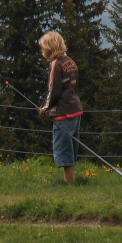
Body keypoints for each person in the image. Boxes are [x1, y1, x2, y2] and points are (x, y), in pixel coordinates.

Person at [38, 32, 83, 185]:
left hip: (63, 113)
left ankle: (68, 183)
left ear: (49, 49)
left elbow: (54, 90)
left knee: (63, 148)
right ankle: (70, 181)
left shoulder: (55, 64)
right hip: (75, 109)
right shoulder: (70, 61)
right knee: (72, 146)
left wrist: (45, 108)